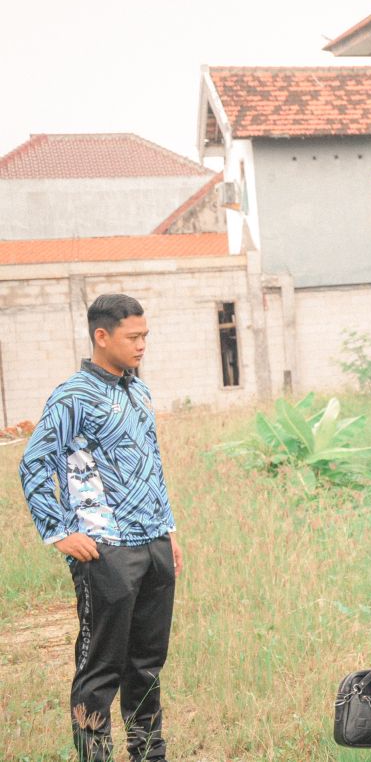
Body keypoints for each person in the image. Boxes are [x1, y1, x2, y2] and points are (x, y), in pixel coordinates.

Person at [18, 294, 182, 762]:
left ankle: (148, 753)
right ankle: (96, 756)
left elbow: (152, 465)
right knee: (101, 668)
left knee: (147, 665)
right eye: (133, 337)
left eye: (145, 335)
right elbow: (33, 463)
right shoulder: (74, 395)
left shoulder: (138, 390)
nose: (142, 345)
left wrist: (168, 531)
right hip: (105, 551)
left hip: (153, 547)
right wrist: (60, 532)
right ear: (101, 336)